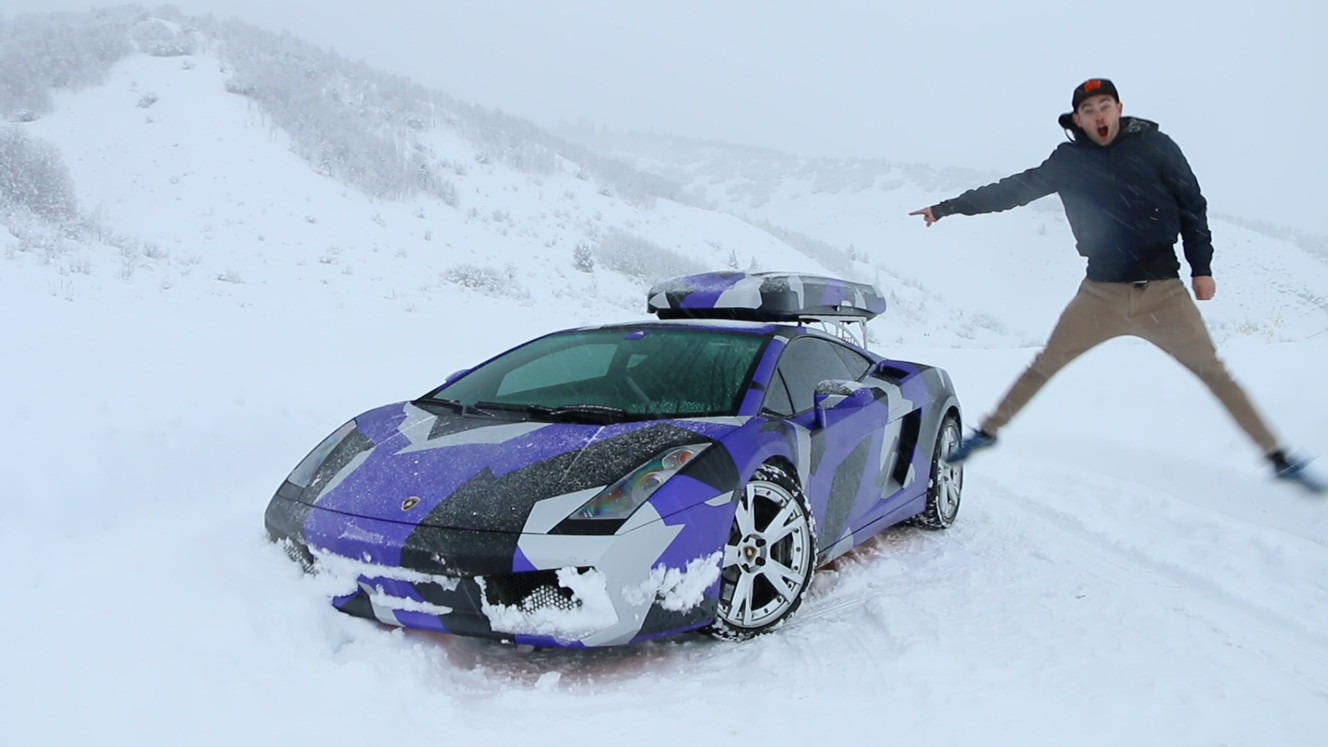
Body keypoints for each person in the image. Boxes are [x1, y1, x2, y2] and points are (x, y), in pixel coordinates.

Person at [909, 77, 1321, 492]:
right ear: (1077, 120)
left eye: (1105, 105)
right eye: (1089, 111)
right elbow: (1013, 190)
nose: (1099, 115)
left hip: (1164, 292)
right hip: (1100, 294)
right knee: (1044, 365)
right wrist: (947, 208)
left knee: (1213, 372)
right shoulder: (1068, 160)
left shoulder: (1157, 148)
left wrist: (1202, 267)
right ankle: (987, 433)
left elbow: (1192, 205)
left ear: (1119, 108)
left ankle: (1279, 457)